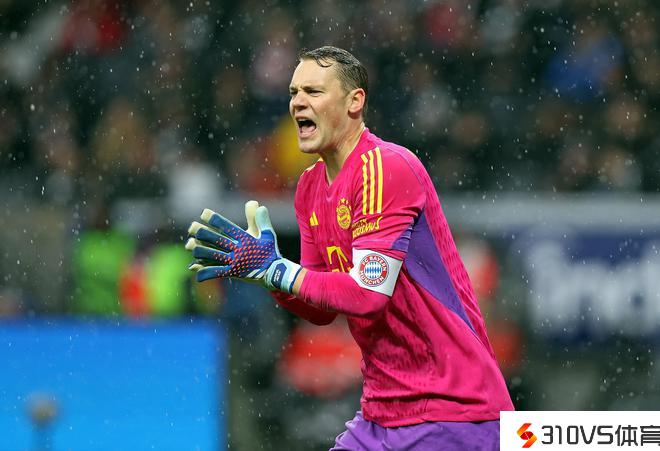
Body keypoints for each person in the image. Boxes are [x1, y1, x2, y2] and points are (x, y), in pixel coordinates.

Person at [185, 45, 513, 450]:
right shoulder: (309, 187)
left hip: (452, 408)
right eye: (293, 92)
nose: (297, 102)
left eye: (313, 91)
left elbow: (368, 294)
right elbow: (321, 309)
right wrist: (267, 274)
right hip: (382, 412)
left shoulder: (385, 167)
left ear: (355, 101)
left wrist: (279, 271)